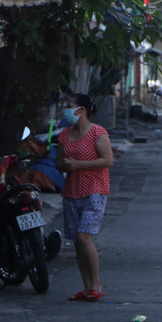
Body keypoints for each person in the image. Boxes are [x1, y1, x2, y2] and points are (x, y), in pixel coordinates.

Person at [56, 92, 113, 302]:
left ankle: (96, 283)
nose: (67, 110)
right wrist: (66, 165)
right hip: (72, 191)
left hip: (95, 190)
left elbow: (107, 161)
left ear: (82, 110)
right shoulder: (65, 134)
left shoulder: (98, 133)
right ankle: (86, 286)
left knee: (84, 236)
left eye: (70, 106)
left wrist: (79, 165)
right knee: (77, 242)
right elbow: (58, 162)